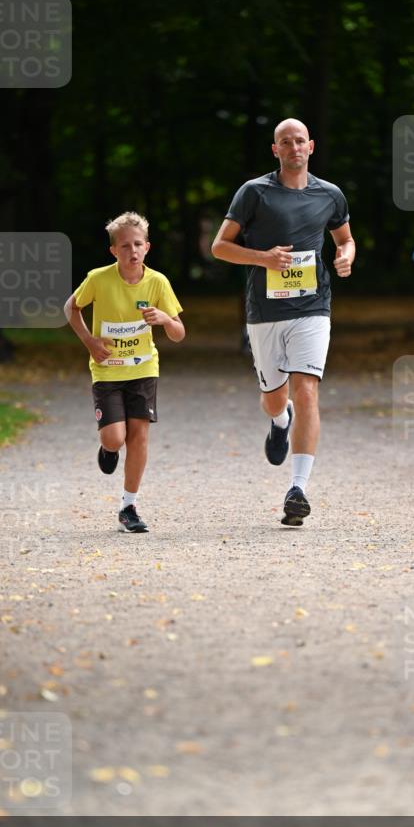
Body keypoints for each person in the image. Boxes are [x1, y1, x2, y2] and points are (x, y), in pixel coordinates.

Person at [211, 118, 355, 526]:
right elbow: (220, 247)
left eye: (300, 141)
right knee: (276, 397)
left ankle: (298, 489)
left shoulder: (330, 195)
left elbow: (344, 238)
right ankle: (279, 420)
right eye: (285, 142)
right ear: (275, 150)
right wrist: (263, 257)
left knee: (307, 389)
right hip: (265, 311)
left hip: (313, 307)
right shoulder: (254, 192)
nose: (294, 148)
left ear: (312, 146)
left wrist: (346, 256)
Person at [63, 211, 185, 533]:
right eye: (125, 246)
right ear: (113, 251)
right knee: (116, 438)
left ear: (147, 247)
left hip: (143, 367)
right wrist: (89, 341)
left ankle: (128, 506)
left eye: (138, 244)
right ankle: (108, 449)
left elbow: (179, 333)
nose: (132, 251)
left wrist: (166, 320)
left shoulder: (158, 282)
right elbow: (70, 307)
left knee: (139, 436)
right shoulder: (98, 279)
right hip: (107, 370)